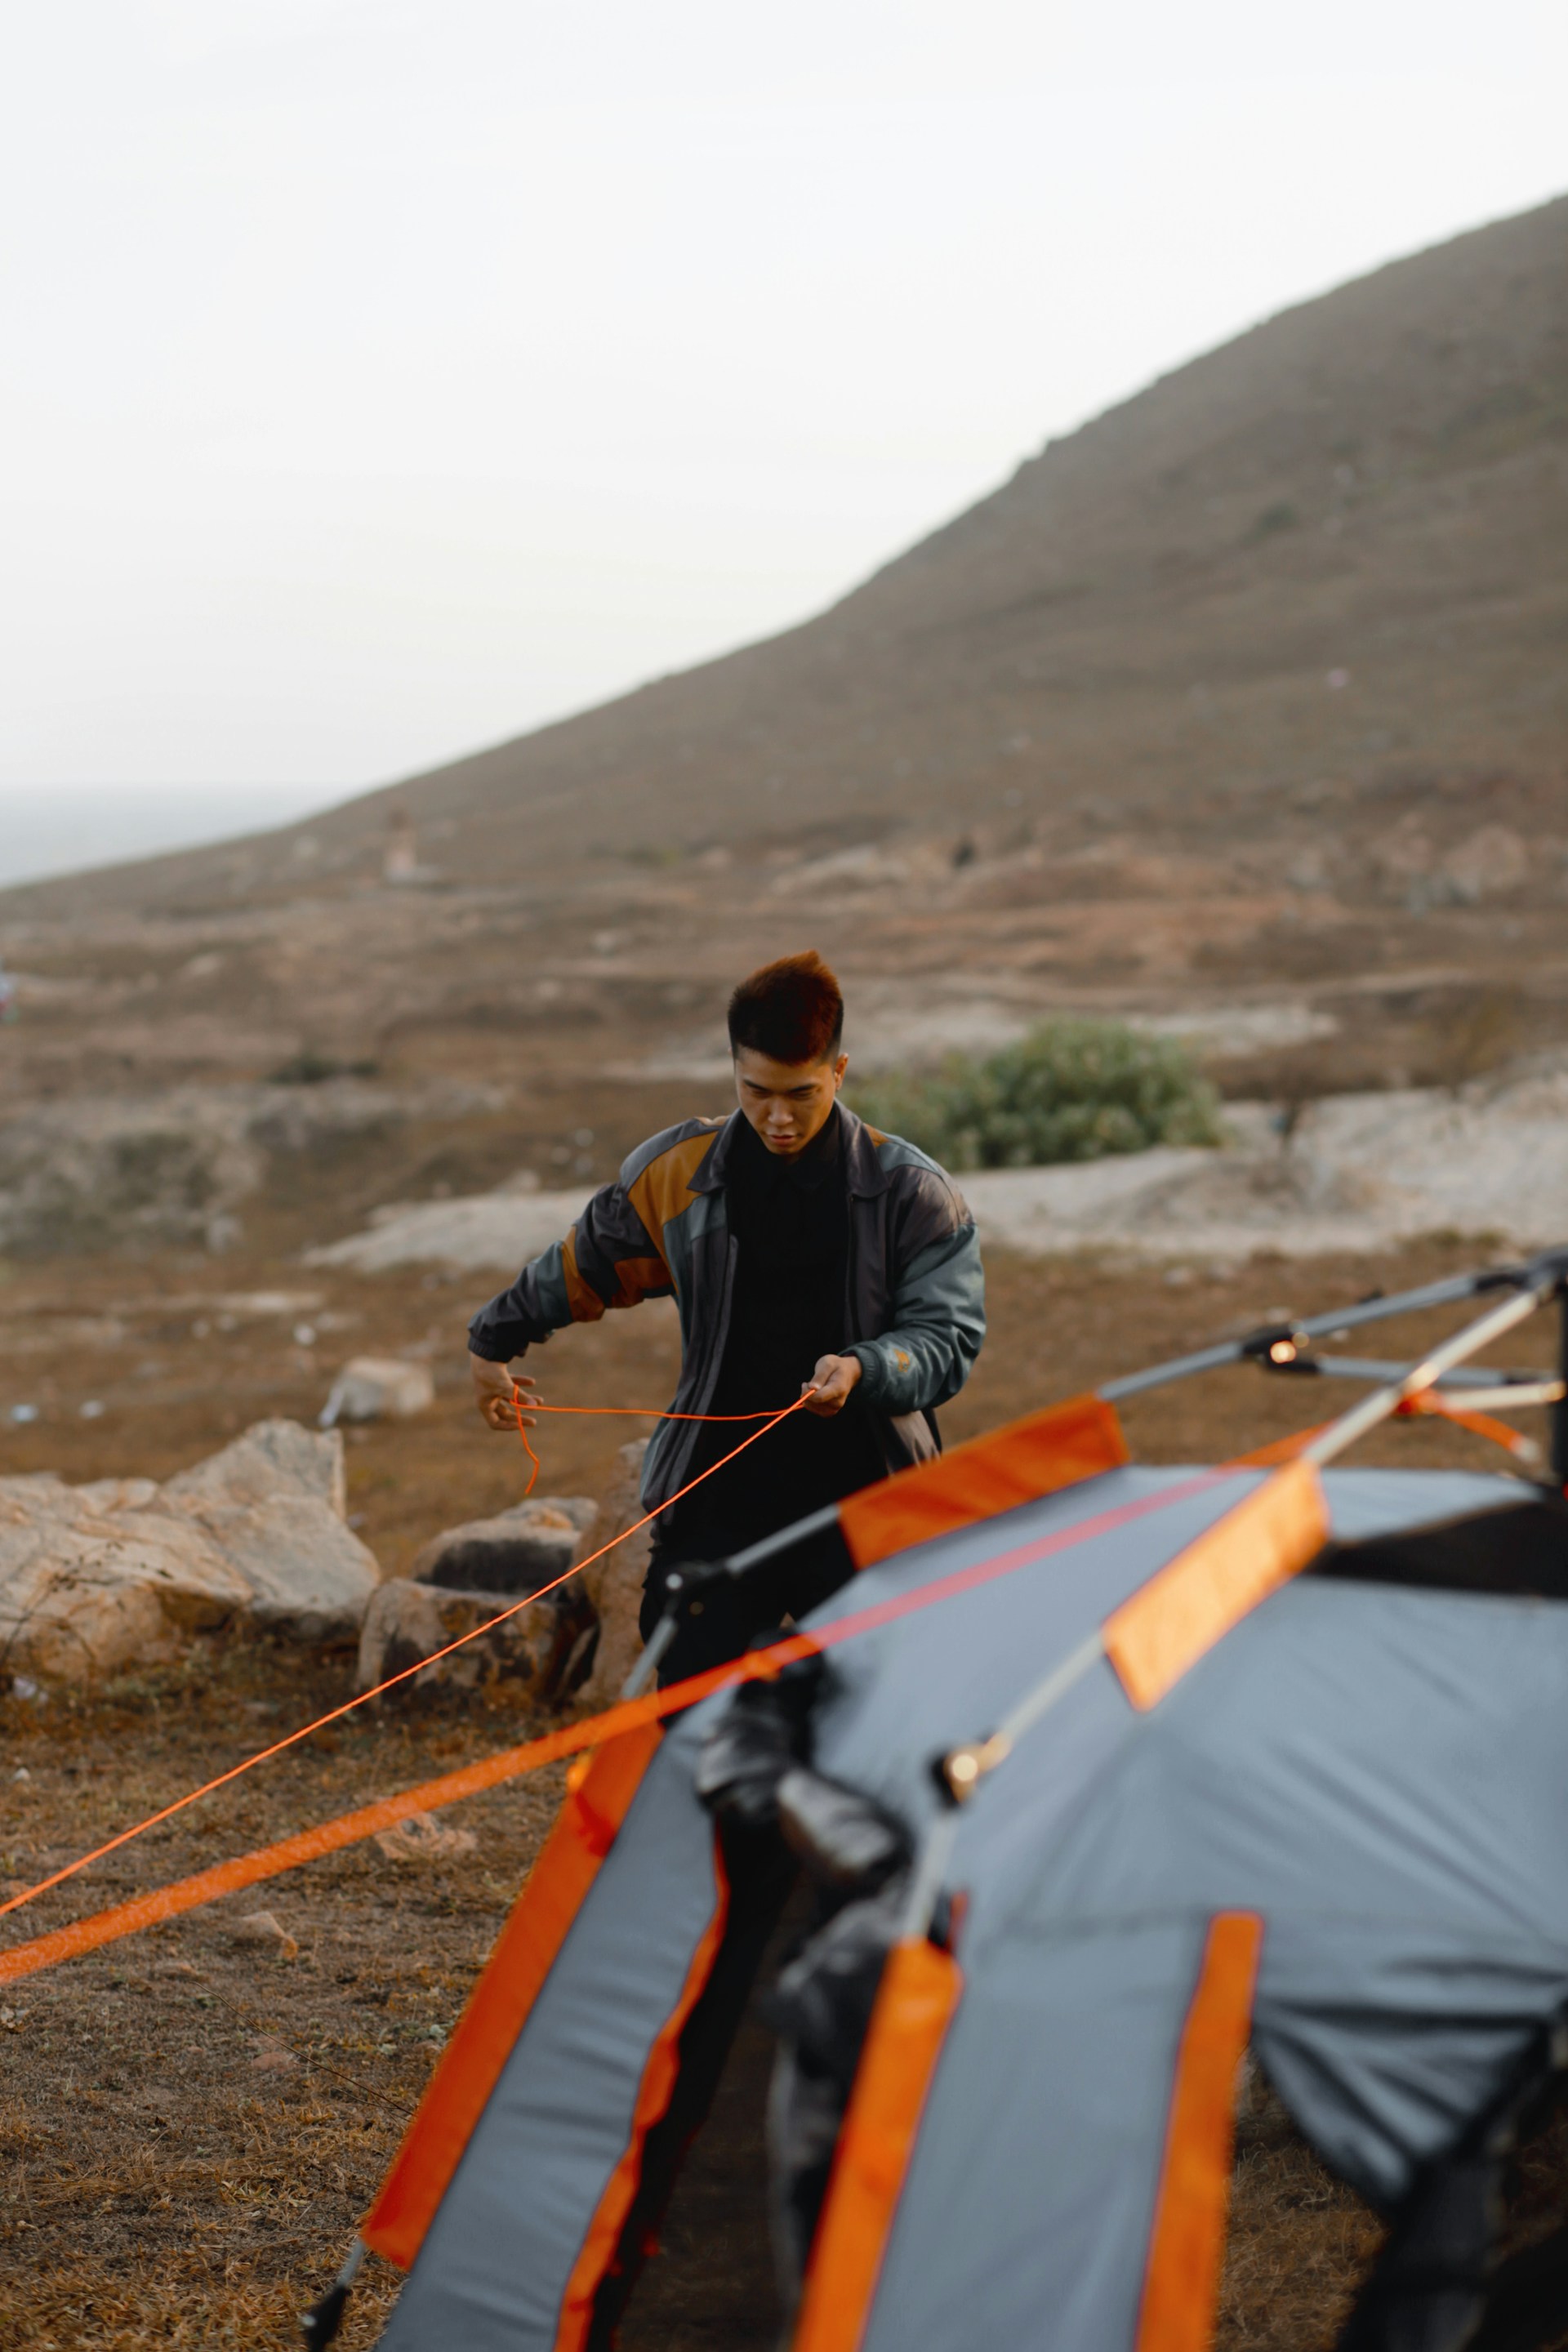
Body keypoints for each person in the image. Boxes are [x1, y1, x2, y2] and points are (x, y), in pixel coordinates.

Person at [467, 949, 984, 1680]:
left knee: (864, 1696)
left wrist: (864, 1368)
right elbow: (581, 1266)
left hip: (867, 1495)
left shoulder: (913, 1194)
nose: (778, 1117)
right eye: (756, 1091)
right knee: (685, 1674)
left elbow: (948, 1339)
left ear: (838, 1073)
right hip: (719, 1492)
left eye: (801, 1094)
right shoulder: (677, 1173)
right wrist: (491, 1344)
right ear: (734, 1070)